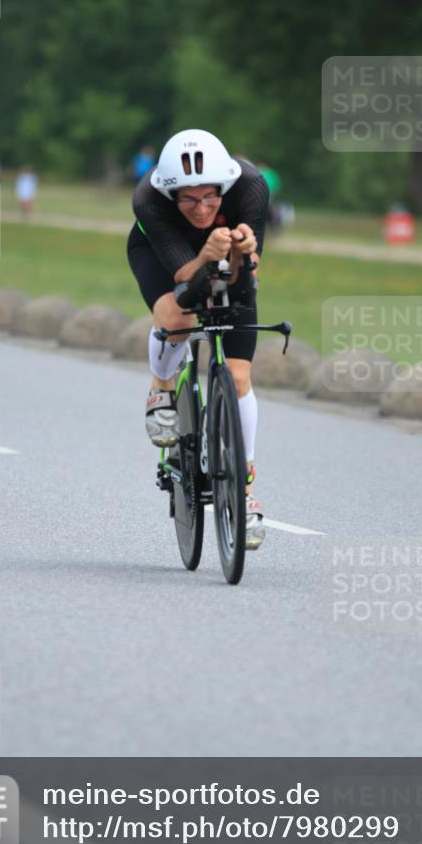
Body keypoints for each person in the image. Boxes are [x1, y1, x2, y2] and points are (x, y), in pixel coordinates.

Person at [127, 129, 269, 549]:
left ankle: (244, 491)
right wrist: (206, 256)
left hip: (224, 257)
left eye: (210, 197)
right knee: (178, 315)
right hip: (163, 255)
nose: (202, 208)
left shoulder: (250, 186)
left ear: (224, 187)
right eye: (189, 199)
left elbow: (246, 281)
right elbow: (184, 281)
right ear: (171, 193)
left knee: (239, 379)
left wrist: (242, 253)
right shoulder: (149, 198)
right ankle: (161, 386)